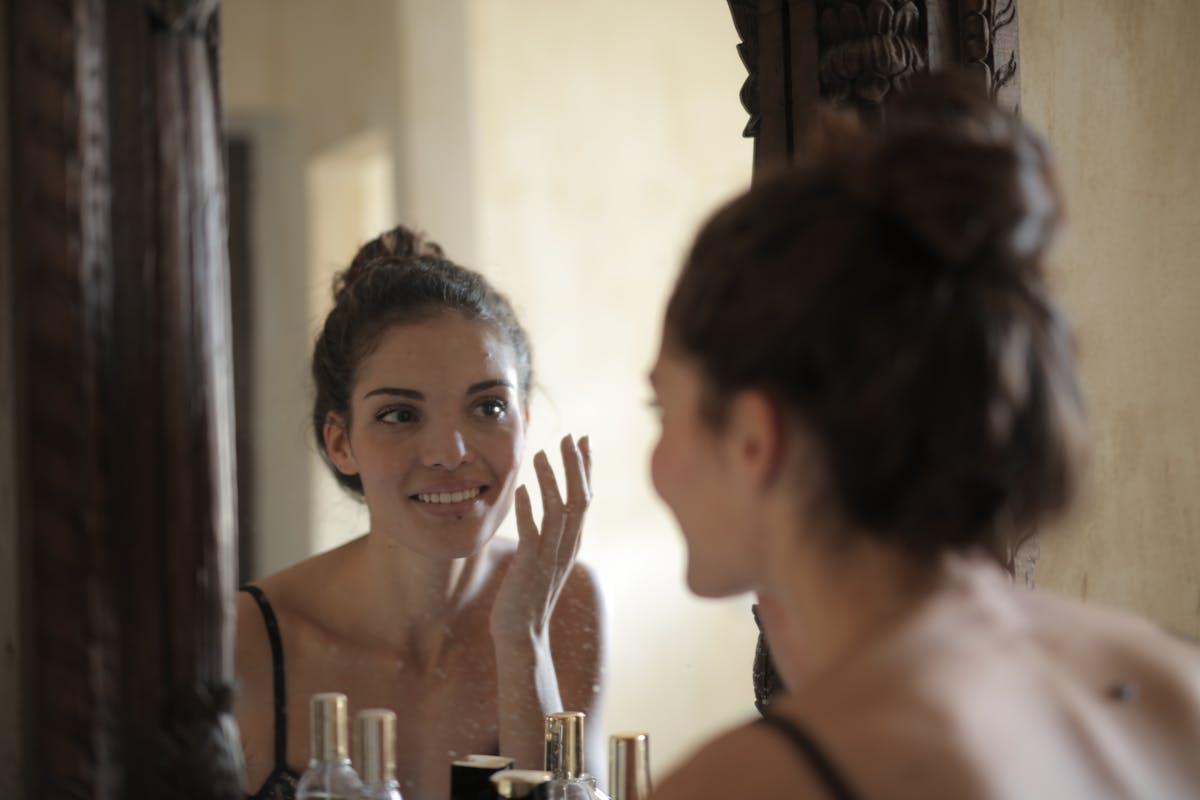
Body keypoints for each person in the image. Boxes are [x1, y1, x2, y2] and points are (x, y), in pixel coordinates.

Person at [646, 73, 1200, 799]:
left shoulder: (757, 783)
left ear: (753, 438)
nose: (654, 464)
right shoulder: (1171, 677)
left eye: (661, 408)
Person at [233, 227, 604, 800]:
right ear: (340, 442)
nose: (451, 452)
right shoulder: (249, 636)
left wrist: (523, 635)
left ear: (524, 422)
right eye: (400, 415)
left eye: (488, 406)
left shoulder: (566, 603)